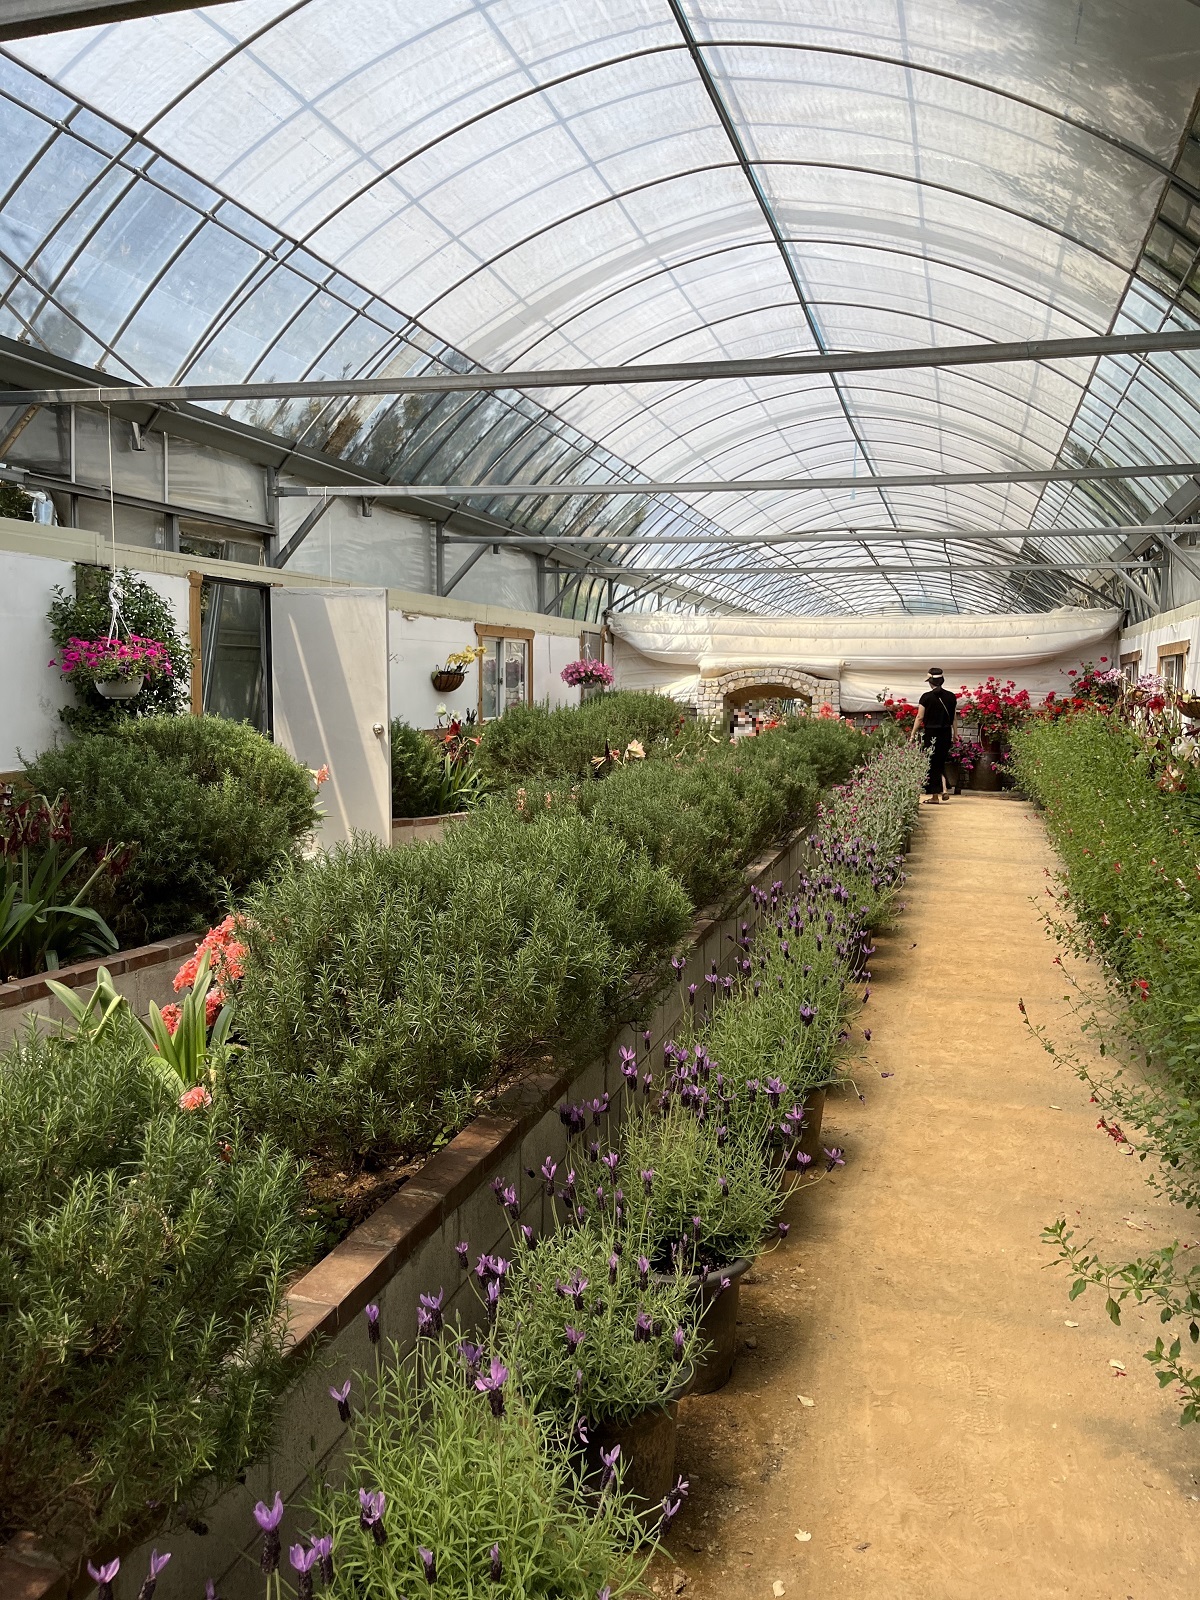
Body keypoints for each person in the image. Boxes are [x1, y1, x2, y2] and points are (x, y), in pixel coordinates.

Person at [909, 668, 957, 804]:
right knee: (940, 761)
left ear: (930, 682)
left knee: (932, 763)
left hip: (931, 733)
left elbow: (919, 717)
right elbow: (954, 718)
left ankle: (935, 795)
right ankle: (944, 789)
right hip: (946, 733)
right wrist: (955, 734)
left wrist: (912, 734)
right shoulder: (951, 696)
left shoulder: (926, 697)